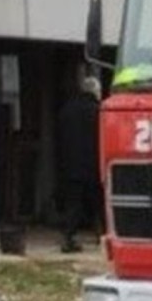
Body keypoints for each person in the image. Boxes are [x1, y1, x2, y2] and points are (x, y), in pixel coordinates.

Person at [55, 76, 101, 254]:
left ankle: (68, 237)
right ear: (93, 91)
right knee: (98, 204)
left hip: (70, 166)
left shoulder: (67, 110)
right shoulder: (98, 111)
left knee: (73, 204)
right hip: (93, 166)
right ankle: (102, 236)